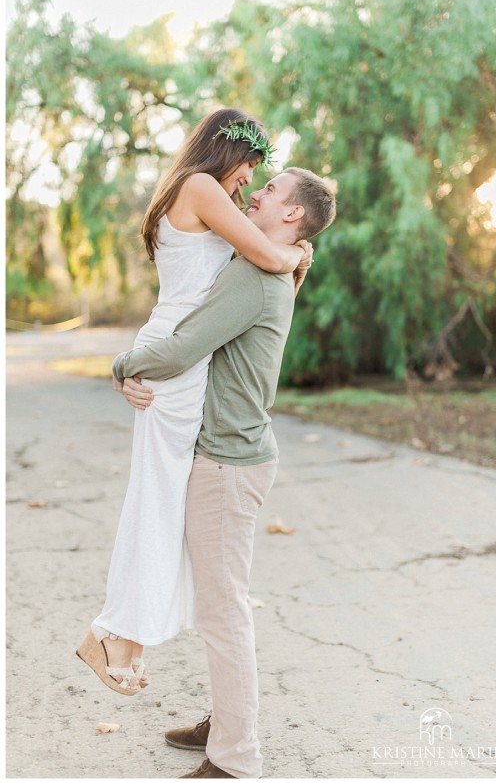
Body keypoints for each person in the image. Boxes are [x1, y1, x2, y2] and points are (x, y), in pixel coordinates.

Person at [76, 108, 312, 695]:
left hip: (182, 354)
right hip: (176, 358)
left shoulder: (197, 190)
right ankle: (110, 637)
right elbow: (267, 256)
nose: (245, 184)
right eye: (248, 169)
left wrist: (291, 255)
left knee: (166, 505)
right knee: (158, 503)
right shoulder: (202, 187)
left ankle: (123, 638)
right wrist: (296, 255)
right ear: (224, 152)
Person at [112, 165, 336, 778]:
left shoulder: (255, 274)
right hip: (234, 457)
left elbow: (184, 347)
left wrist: (122, 363)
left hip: (228, 463)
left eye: (271, 190)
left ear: (290, 215)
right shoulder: (270, 264)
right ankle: (228, 719)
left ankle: (235, 756)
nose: (254, 192)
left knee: (222, 610)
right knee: (220, 603)